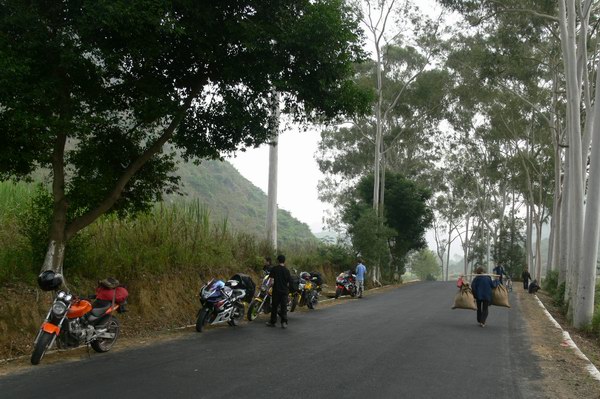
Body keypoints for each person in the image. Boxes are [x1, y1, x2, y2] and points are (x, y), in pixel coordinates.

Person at [266, 254, 291, 329]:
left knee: (274, 307)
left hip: (276, 291)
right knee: (283, 307)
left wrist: (268, 288)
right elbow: (288, 283)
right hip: (284, 292)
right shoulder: (287, 270)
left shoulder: (274, 269)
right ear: (284, 261)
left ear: (278, 260)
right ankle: (284, 322)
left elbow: (271, 280)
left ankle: (273, 322)